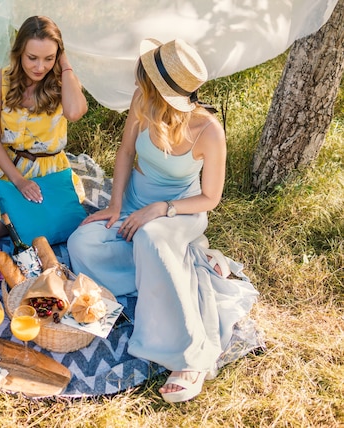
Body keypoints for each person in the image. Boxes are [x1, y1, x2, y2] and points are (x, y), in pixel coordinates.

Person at [68, 39, 250, 403]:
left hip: (181, 212)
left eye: (145, 82)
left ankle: (187, 355)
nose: (139, 87)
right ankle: (158, 277)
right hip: (135, 203)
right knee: (81, 243)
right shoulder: (142, 102)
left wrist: (161, 208)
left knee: (151, 238)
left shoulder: (208, 130)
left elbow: (210, 198)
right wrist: (116, 204)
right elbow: (124, 152)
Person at [0, 15, 88, 238]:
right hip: (7, 164)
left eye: (49, 58)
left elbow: (74, 112)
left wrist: (66, 65)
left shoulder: (64, 82)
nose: (40, 67)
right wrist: (19, 181)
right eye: (32, 58)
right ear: (19, 52)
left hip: (46, 171)